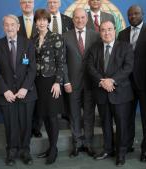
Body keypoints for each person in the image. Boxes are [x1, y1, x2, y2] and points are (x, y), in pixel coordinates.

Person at [0, 14, 37, 166]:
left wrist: (24, 88)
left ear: (18, 27)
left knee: (25, 124)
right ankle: (11, 152)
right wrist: (5, 90)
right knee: (10, 125)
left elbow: (32, 69)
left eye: (12, 25)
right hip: (6, 95)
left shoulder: (28, 44)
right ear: (3, 27)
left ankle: (25, 151)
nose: (9, 28)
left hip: (26, 93)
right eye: (6, 25)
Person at [87, 20, 134, 166]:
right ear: (99, 32)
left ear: (115, 30)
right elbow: (90, 67)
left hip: (120, 93)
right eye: (103, 30)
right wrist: (102, 81)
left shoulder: (125, 47)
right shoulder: (94, 48)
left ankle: (121, 153)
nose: (106, 33)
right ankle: (108, 149)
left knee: (121, 124)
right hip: (102, 92)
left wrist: (112, 81)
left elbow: (128, 68)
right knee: (105, 123)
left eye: (109, 29)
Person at [118, 5, 146, 161]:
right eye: (130, 14)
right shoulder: (122, 34)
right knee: (127, 117)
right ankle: (127, 144)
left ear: (143, 14)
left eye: (136, 13)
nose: (133, 16)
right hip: (127, 84)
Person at [63, 8, 100, 158]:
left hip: (91, 84)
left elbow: (99, 60)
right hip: (72, 83)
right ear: (73, 19)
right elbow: (62, 62)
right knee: (74, 114)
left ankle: (88, 144)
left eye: (82, 17)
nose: (79, 20)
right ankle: (77, 144)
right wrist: (65, 81)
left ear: (87, 18)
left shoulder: (96, 35)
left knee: (89, 115)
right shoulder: (65, 36)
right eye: (76, 18)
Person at [33, 9, 65, 165]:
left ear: (48, 21)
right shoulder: (32, 39)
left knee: (52, 116)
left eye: (44, 20)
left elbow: (61, 62)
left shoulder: (56, 38)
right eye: (39, 20)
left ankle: (53, 149)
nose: (41, 22)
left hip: (52, 82)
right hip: (38, 83)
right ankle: (51, 147)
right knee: (44, 115)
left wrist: (58, 82)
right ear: (36, 22)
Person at [18, 0, 42, 138]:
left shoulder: (40, 20)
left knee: (38, 100)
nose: (27, 4)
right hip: (21, 69)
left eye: (29, 2)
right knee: (25, 99)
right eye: (23, 2)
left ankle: (36, 127)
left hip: (39, 67)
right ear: (20, 5)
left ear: (33, 4)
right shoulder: (16, 21)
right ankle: (24, 127)